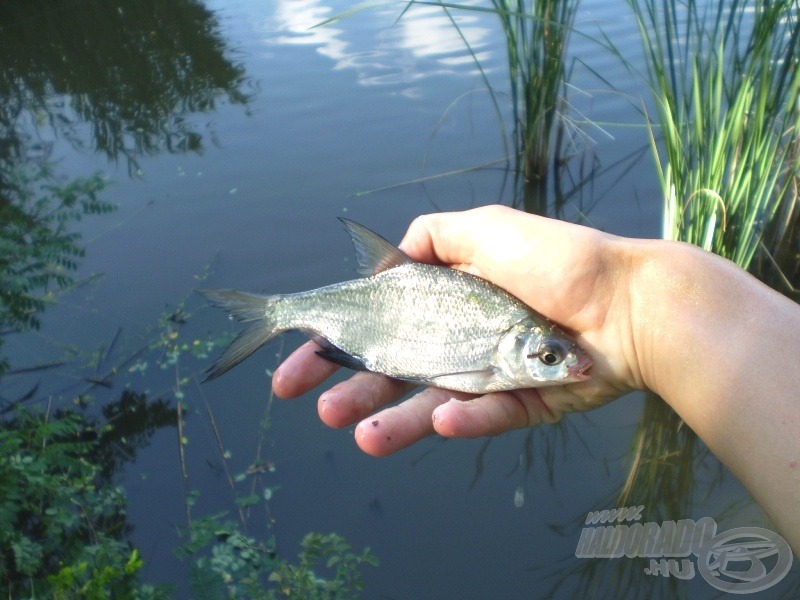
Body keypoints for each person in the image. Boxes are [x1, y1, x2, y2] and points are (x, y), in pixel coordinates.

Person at [271, 204, 800, 553]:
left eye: (553, 358)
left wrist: (634, 303)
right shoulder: (499, 339)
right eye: (551, 358)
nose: (571, 367)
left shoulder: (522, 334)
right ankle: (276, 312)